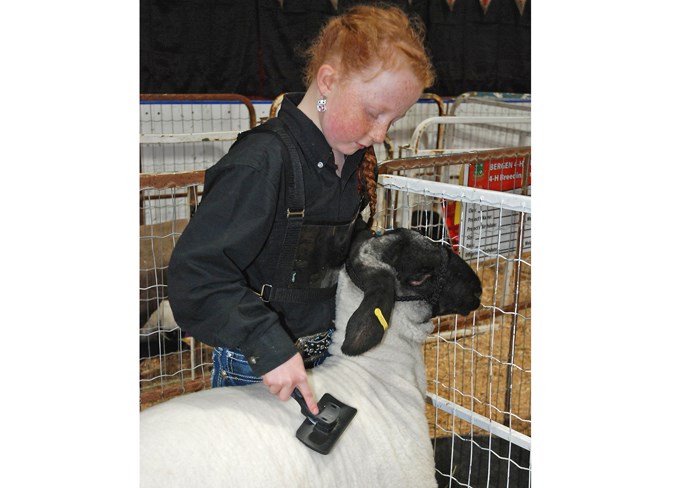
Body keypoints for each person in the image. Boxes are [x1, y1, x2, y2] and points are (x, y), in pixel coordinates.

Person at [167, 5, 435, 415]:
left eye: (393, 120)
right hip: (256, 365)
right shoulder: (261, 163)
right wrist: (267, 345)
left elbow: (336, 239)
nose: (380, 134)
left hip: (323, 348)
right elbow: (197, 276)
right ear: (328, 81)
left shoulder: (348, 158)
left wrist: (377, 259)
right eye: (373, 112)